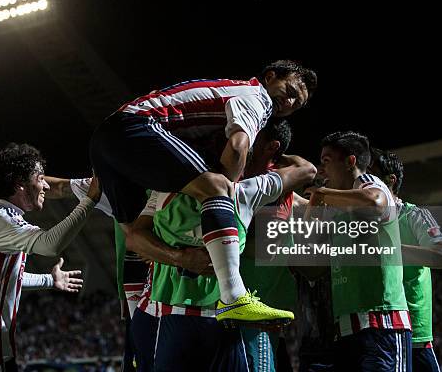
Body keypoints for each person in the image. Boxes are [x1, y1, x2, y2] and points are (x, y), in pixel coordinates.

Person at [91, 60, 317, 323]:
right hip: (134, 127)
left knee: (131, 232)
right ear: (269, 77)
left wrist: (181, 257)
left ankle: (133, 326)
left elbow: (134, 239)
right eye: (290, 92)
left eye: (296, 104)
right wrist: (221, 196)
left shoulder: (173, 180)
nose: (288, 104)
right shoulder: (257, 97)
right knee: (220, 185)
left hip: (106, 139)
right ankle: (234, 296)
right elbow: (237, 147)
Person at [130, 121, 316, 371]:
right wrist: (180, 258)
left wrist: (176, 256)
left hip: (206, 318)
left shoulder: (167, 192)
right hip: (182, 314)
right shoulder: (246, 192)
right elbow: (305, 170)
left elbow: (135, 237)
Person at [0, 143, 100, 371]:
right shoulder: (3, 221)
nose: (46, 186)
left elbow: (3, 279)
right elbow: (51, 245)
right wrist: (89, 201)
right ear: (20, 185)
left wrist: (50, 280)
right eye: (40, 178)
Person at [306, 132, 411, 372]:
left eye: (326, 161)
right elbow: (310, 244)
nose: (322, 170)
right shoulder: (336, 203)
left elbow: (375, 203)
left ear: (350, 161)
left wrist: (321, 194)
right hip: (346, 326)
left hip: (382, 323)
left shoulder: (368, 182)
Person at [369, 148, 442, 372]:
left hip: (414, 334)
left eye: (371, 175)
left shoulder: (414, 216)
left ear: (390, 181)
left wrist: (392, 250)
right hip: (375, 332)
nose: (363, 183)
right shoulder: (359, 222)